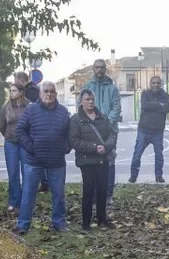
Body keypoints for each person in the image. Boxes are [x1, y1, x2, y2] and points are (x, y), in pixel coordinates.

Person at [16, 82, 71, 234]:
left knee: (59, 194)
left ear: (56, 94)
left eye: (52, 91)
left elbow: (69, 133)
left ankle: (59, 223)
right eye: (45, 91)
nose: (49, 94)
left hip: (56, 161)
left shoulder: (63, 111)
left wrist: (65, 147)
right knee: (28, 193)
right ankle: (23, 225)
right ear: (40, 94)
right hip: (34, 161)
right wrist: (31, 147)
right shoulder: (31, 110)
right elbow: (20, 130)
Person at [70, 88, 118, 230]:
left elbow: (112, 135)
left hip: (102, 160)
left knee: (103, 190)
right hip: (87, 161)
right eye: (87, 99)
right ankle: (86, 222)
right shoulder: (75, 120)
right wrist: (93, 147)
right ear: (81, 102)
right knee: (89, 191)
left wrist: (106, 147)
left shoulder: (102, 117)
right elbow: (74, 141)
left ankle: (102, 219)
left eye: (92, 99)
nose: (90, 102)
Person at [83, 59, 122, 206]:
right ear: (93, 69)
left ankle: (108, 195)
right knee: (92, 162)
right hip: (90, 130)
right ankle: (93, 195)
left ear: (105, 69)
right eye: (97, 67)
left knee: (109, 162)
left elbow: (116, 108)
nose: (99, 69)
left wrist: (105, 124)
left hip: (109, 130)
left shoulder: (112, 88)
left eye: (102, 67)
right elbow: (83, 105)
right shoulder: (88, 86)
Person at [0, 78, 31, 211]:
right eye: (10, 91)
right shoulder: (6, 107)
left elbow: (33, 123)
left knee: (26, 172)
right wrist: (8, 136)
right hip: (11, 143)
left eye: (14, 90)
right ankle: (14, 200)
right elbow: (1, 125)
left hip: (25, 143)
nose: (11, 93)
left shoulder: (29, 106)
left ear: (21, 92)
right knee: (13, 172)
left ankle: (26, 201)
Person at [130, 75, 169, 183]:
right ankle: (133, 176)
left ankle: (159, 177)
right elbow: (144, 106)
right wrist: (159, 105)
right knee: (137, 154)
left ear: (161, 84)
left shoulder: (166, 96)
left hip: (158, 132)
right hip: (143, 130)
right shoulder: (145, 94)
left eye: (158, 83)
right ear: (150, 84)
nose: (156, 85)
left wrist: (153, 105)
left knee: (159, 156)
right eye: (154, 83)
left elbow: (167, 108)